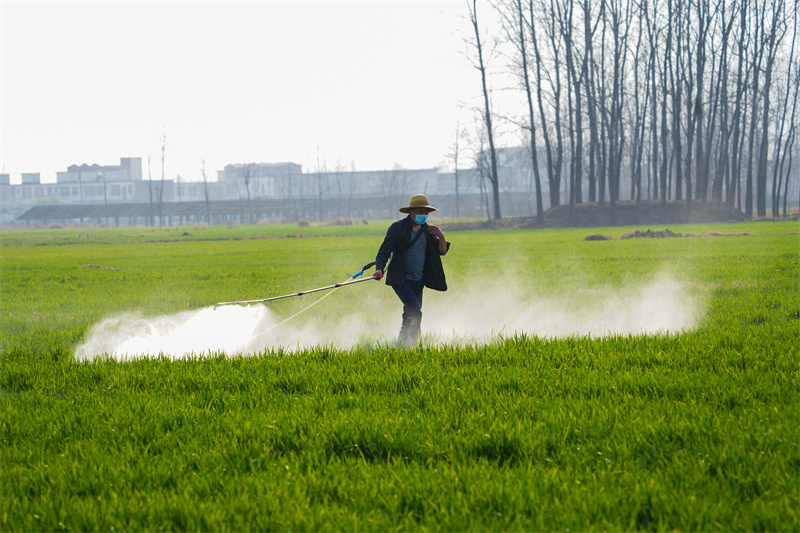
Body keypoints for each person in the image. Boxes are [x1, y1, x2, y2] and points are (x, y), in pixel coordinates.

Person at [374, 194, 450, 347]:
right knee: (414, 309)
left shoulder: (428, 231)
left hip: (419, 280)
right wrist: (379, 269)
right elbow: (384, 251)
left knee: (411, 311)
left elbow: (441, 251)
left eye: (426, 213)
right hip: (401, 279)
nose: (424, 216)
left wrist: (441, 236)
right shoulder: (398, 228)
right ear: (412, 212)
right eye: (421, 212)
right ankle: (413, 342)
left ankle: (403, 343)